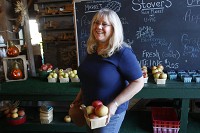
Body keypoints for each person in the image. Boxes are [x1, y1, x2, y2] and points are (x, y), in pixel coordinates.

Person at [70, 8, 144, 133]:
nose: (98, 27)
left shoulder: (122, 52)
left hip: (109, 114)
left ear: (114, 29)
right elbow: (89, 80)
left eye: (104, 24)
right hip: (90, 110)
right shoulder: (93, 50)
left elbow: (138, 82)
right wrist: (78, 98)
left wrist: (114, 104)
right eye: (96, 22)